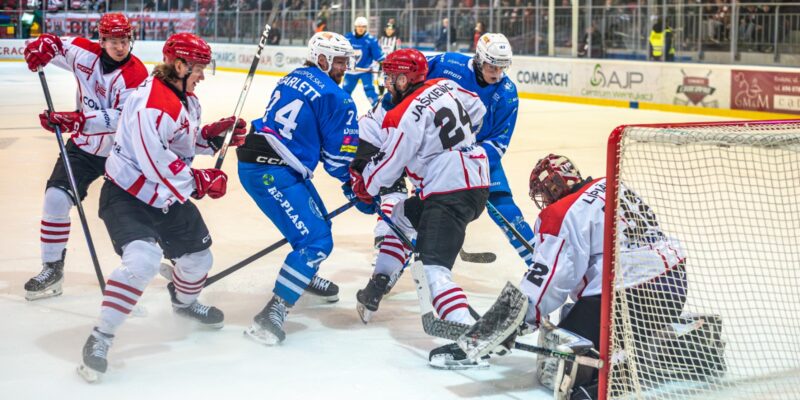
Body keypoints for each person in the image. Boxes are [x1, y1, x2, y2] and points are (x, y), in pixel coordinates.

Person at [77, 32, 248, 382]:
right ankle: (100, 338)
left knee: (200, 260)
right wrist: (198, 182)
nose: (203, 74)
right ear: (180, 64)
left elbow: (180, 144)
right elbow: (155, 162)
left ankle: (183, 304)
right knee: (142, 260)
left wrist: (213, 136)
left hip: (164, 197)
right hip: (128, 196)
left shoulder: (185, 99)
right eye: (199, 68)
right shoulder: (152, 102)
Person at [499, 154, 706, 399]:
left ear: (555, 185)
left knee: (563, 351)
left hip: (630, 297)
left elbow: (552, 281)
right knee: (572, 312)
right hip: (674, 284)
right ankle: (689, 341)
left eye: (545, 192)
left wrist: (515, 319)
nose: (546, 199)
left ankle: (610, 377)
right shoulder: (611, 184)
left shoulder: (561, 212)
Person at [348, 48, 490, 363]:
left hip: (449, 188)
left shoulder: (402, 115)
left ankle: (469, 337)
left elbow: (388, 168)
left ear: (404, 78)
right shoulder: (445, 85)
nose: (386, 82)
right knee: (401, 216)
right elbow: (477, 109)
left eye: (389, 77)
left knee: (433, 269)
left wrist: (364, 184)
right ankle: (379, 280)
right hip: (474, 178)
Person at [237, 31, 361, 345]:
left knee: (318, 225)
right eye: (340, 61)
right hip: (273, 170)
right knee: (316, 240)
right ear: (322, 58)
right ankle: (273, 312)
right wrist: (356, 184)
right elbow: (336, 161)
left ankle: (301, 275)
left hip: (263, 160)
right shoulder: (338, 98)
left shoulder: (294, 76)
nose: (344, 68)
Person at [22, 13, 148, 301]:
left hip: (123, 152)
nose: (120, 47)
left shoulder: (135, 74)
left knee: (143, 209)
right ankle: (52, 269)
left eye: (125, 40)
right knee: (55, 198)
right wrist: (40, 47)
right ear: (101, 40)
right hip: (84, 147)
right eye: (113, 41)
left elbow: (122, 118)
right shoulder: (83, 51)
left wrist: (78, 120)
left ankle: (173, 256)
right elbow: (53, 45)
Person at [426, 33, 537, 271]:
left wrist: (466, 160)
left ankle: (538, 265)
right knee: (424, 209)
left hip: (480, 155)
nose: (497, 72)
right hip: (437, 151)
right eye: (491, 65)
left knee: (503, 206)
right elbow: (416, 71)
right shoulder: (449, 64)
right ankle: (389, 264)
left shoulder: (506, 93)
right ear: (478, 58)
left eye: (502, 66)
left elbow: (499, 143)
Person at [343, 16, 384, 106]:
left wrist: (382, 63)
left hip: (366, 71)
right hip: (351, 71)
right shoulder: (347, 38)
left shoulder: (371, 40)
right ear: (355, 26)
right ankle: (344, 108)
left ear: (366, 27)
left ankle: (377, 108)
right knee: (345, 94)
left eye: (363, 26)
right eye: (359, 26)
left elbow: (378, 56)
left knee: (369, 91)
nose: (361, 28)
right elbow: (342, 52)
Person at [377, 22, 401, 96]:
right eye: (387, 29)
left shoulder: (397, 40)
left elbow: (398, 51)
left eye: (391, 29)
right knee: (380, 78)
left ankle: (391, 93)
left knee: (392, 79)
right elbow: (378, 50)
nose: (389, 31)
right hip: (382, 63)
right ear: (385, 30)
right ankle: (381, 93)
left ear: (393, 31)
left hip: (392, 64)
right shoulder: (381, 39)